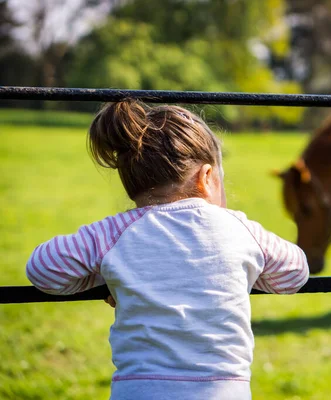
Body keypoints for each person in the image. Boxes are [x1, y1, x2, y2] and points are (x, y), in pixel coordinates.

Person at [25, 100, 310, 400]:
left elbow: (42, 270)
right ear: (208, 177)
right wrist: (242, 274)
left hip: (139, 391)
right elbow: (296, 273)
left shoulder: (114, 234)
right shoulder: (239, 229)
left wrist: (107, 276)